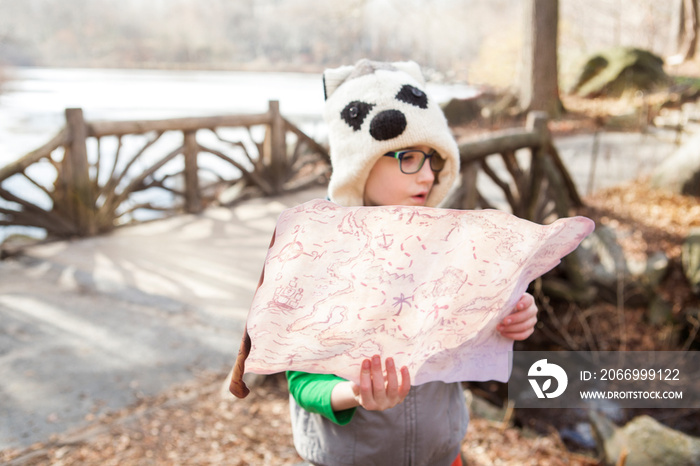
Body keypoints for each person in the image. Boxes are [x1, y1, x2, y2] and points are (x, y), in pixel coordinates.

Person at [286, 59, 538, 466]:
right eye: (408, 157)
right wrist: (355, 393)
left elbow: (470, 328)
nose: (427, 176)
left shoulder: (448, 246)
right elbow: (303, 382)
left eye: (433, 159)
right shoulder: (320, 257)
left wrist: (511, 318)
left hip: (441, 455)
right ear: (359, 166)